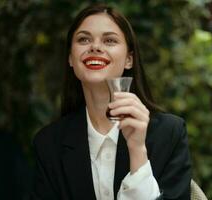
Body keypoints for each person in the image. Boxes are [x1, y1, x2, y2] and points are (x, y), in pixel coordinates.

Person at [31, 3, 191, 200]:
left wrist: (138, 151)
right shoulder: (48, 144)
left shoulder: (169, 134)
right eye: (84, 39)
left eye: (109, 40)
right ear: (71, 58)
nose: (95, 47)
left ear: (129, 60)